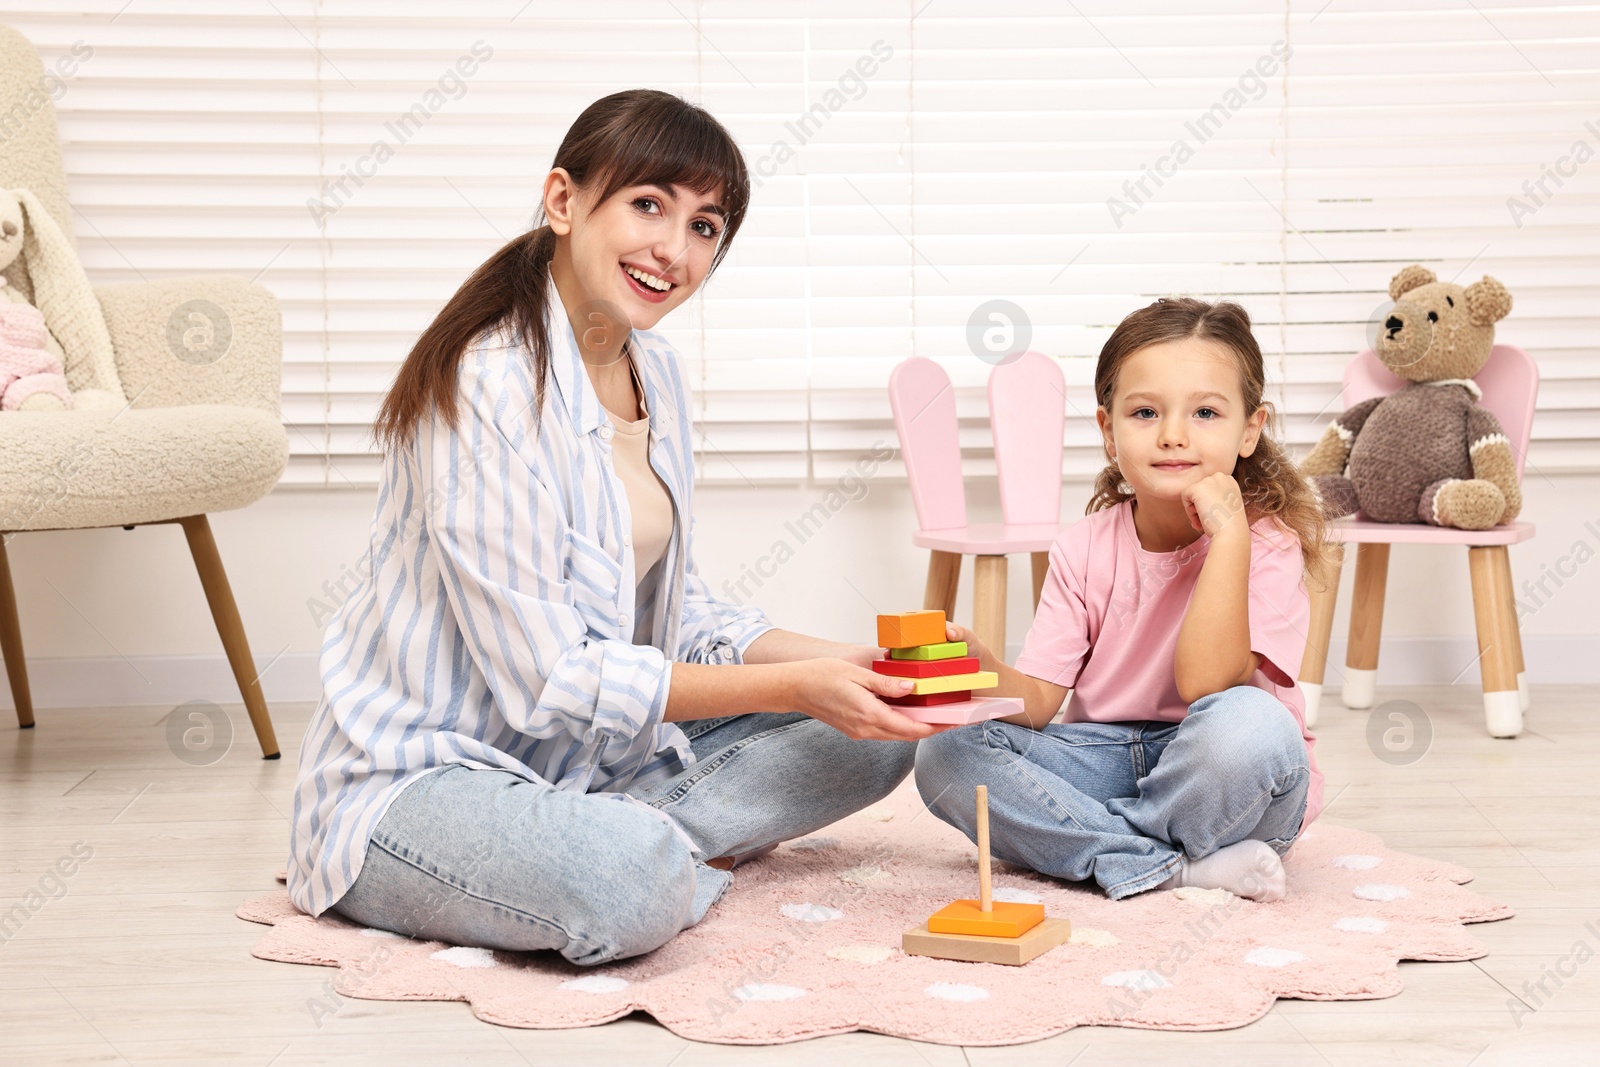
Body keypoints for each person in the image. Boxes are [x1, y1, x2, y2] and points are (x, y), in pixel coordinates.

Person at [287, 89, 950, 966]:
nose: (673, 250)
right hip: (421, 784)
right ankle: (630, 855)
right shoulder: (487, 389)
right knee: (627, 876)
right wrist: (796, 689)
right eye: (648, 205)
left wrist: (846, 668)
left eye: (705, 226)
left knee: (870, 741)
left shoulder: (656, 372)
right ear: (564, 201)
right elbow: (550, 681)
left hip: (592, 764)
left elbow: (684, 614)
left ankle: (612, 843)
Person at [915, 297, 1332, 902]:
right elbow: (1036, 704)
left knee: (1254, 727)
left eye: (1206, 412)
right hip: (1103, 759)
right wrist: (981, 667)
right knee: (947, 752)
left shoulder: (1267, 545)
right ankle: (1173, 866)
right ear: (1110, 431)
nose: (1172, 435)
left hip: (1225, 776)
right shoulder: (1083, 547)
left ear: (1250, 431)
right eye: (1144, 412)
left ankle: (1098, 846)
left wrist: (1230, 533)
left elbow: (1206, 683)